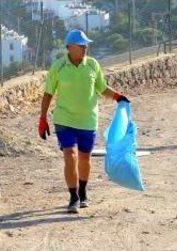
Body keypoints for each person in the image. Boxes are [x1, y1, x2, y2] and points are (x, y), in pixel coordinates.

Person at [38, 29, 130, 213]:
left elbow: (102, 88)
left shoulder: (93, 65)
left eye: (86, 44)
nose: (85, 47)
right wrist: (43, 118)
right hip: (64, 119)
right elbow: (48, 93)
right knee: (70, 155)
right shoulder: (58, 66)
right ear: (70, 47)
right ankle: (73, 197)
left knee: (84, 157)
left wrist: (118, 97)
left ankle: (83, 191)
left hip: (88, 120)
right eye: (81, 45)